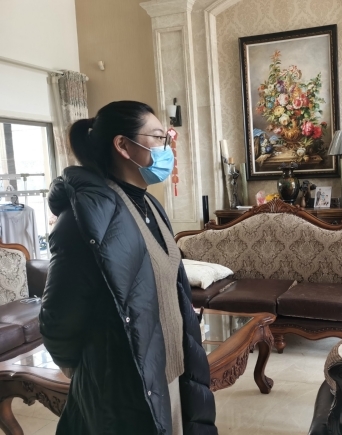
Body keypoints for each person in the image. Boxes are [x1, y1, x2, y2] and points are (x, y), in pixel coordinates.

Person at [39, 101, 218, 435]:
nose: (167, 148)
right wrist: (95, 372)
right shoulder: (81, 222)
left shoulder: (149, 203)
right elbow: (59, 318)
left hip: (170, 373)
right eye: (159, 138)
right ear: (123, 145)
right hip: (126, 389)